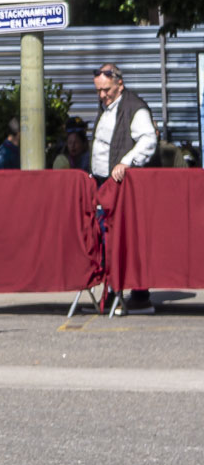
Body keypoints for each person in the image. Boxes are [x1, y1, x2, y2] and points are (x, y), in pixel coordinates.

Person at [91, 63, 160, 313]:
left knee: (125, 239)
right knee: (106, 240)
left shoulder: (134, 107)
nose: (102, 95)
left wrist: (126, 162)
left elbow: (148, 140)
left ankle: (139, 296)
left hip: (123, 187)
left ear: (119, 83)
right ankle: (112, 292)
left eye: (106, 90)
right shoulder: (107, 106)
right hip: (104, 184)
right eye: (98, 91)